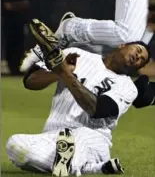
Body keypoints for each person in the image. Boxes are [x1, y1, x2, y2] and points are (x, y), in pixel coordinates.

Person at [6, 19, 151, 176]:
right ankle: (91, 167)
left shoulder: (127, 87)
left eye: (141, 60)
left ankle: (73, 165)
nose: (138, 56)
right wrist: (57, 72)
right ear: (122, 45)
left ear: (138, 68)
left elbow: (97, 109)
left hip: (92, 140)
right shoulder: (77, 54)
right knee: (15, 144)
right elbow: (30, 81)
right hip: (54, 136)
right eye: (137, 50)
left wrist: (66, 74)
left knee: (81, 135)